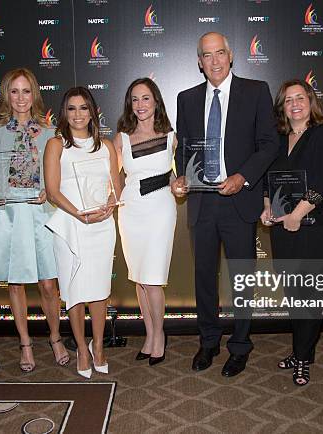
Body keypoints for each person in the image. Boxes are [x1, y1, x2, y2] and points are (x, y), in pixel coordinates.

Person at [172, 32, 279, 377]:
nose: (215, 61)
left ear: (231, 56)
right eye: (207, 55)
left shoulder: (256, 91)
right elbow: (185, 149)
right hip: (202, 202)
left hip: (240, 202)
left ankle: (240, 346)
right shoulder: (186, 99)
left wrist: (243, 177)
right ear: (199, 62)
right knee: (204, 277)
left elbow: (268, 144)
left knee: (242, 279)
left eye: (220, 53)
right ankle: (208, 341)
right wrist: (181, 178)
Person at [0, 68, 69, 372]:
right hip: (9, 214)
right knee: (16, 284)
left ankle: (56, 337)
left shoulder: (49, 132)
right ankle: (25, 343)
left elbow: (56, 176)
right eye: (15, 91)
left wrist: (48, 190)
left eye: (26, 91)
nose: (21, 98)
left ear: (35, 94)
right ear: (6, 95)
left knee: (48, 284)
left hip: (40, 213)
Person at [260, 79, 323, 386]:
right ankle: (299, 352)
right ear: (282, 107)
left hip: (316, 230)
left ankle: (304, 359)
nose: (294, 104)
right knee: (294, 296)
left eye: (300, 97)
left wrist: (296, 214)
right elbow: (270, 181)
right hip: (286, 231)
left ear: (310, 102)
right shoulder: (279, 140)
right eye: (288, 100)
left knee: (309, 297)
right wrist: (269, 207)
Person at [44, 87, 120, 379]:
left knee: (100, 291)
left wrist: (109, 209)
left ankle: (98, 346)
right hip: (70, 226)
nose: (78, 115)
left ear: (93, 112)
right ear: (65, 112)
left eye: (84, 108)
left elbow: (116, 187)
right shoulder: (56, 145)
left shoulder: (106, 146)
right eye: (72, 108)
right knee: (75, 292)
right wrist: (78, 213)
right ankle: (80, 348)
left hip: (100, 227)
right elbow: (52, 191)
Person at [114, 78, 176, 366]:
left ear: (156, 102)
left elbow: (177, 174)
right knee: (139, 278)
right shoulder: (121, 138)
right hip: (131, 210)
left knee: (153, 280)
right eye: (135, 99)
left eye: (146, 98)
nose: (140, 105)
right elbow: (113, 178)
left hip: (160, 209)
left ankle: (159, 336)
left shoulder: (170, 136)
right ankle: (149, 335)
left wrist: (178, 182)